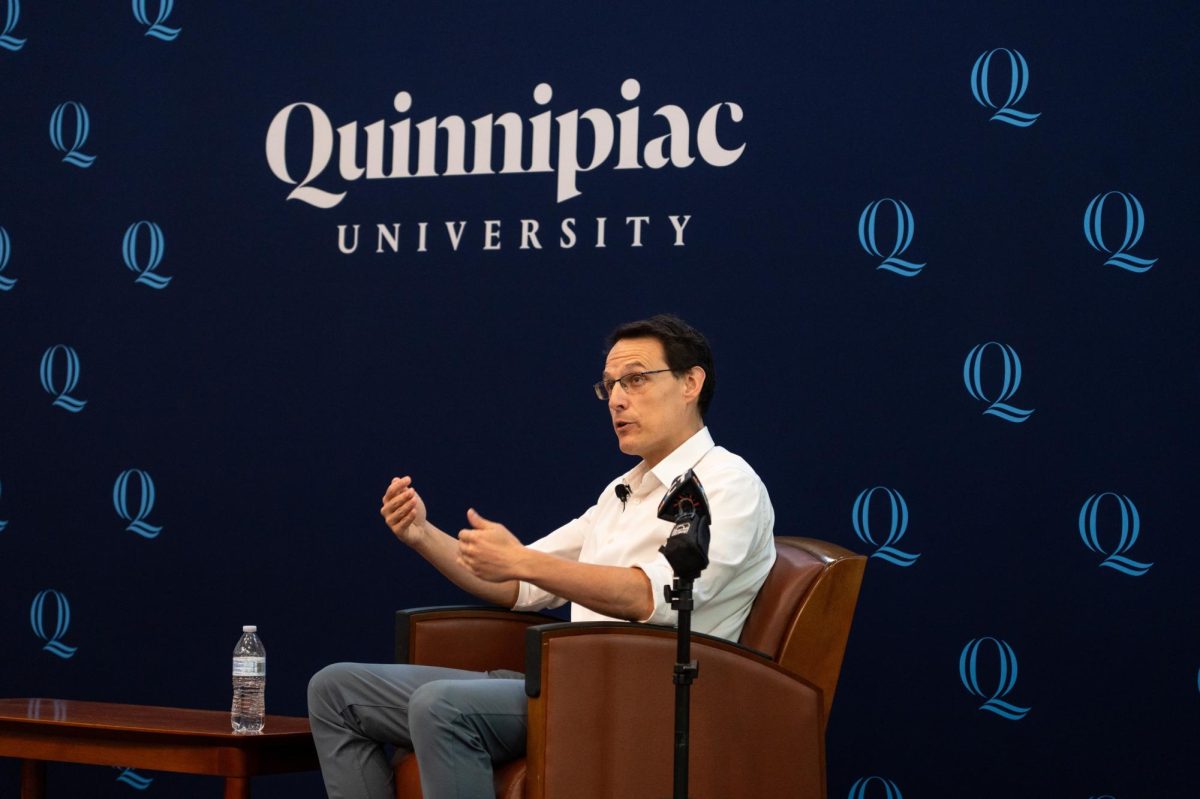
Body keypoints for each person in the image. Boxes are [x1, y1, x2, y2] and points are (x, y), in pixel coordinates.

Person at [308, 314, 776, 799]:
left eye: (635, 379)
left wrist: (525, 563)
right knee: (336, 690)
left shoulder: (727, 483)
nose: (617, 399)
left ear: (690, 383)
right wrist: (423, 534)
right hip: (567, 679)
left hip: (642, 695)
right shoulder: (624, 491)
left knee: (441, 705)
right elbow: (520, 584)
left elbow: (654, 597)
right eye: (610, 385)